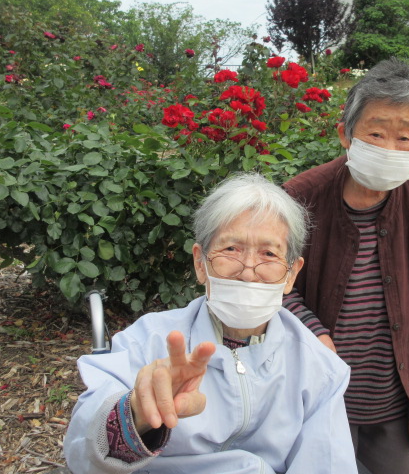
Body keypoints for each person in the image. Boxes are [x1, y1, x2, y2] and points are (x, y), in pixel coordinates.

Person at [64, 173, 358, 474]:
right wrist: (136, 412)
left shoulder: (319, 368)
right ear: (200, 263)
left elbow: (327, 463)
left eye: (269, 254)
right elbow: (81, 451)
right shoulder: (147, 342)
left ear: (291, 274)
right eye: (231, 249)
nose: (247, 272)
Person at [282, 58, 409, 474]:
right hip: (315, 395)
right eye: (376, 132)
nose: (389, 147)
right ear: (346, 134)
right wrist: (314, 332)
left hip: (394, 398)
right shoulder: (299, 198)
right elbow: (274, 283)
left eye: (405, 137)